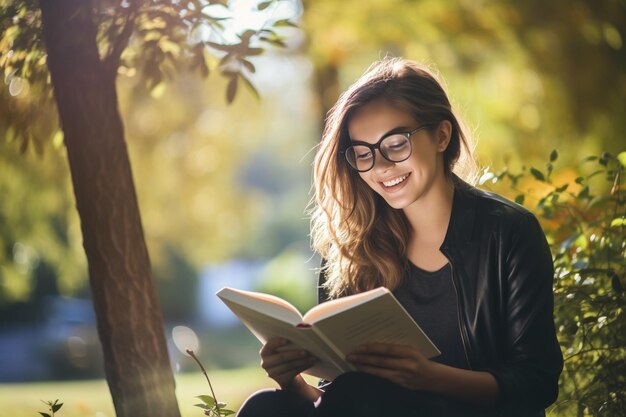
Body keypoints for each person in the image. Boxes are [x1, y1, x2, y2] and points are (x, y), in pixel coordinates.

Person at [236, 57, 563, 417]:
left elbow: (537, 383)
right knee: (265, 407)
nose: (380, 166)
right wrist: (293, 380)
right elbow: (337, 395)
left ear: (441, 135)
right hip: (368, 406)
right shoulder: (354, 247)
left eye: (395, 144)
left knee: (359, 391)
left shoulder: (507, 232)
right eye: (363, 153)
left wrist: (431, 378)